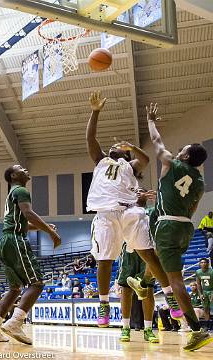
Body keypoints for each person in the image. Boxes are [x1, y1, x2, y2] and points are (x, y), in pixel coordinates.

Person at [86, 91, 183, 328]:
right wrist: (95, 112)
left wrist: (131, 146)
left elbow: (146, 160)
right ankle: (104, 304)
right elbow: (90, 138)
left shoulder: (129, 165)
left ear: (125, 154)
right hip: (106, 214)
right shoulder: (100, 161)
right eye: (111, 148)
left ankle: (169, 294)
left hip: (130, 211)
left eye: (117, 148)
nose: (112, 148)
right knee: (104, 260)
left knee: (148, 255)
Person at [139, 102, 211, 351]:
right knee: (156, 256)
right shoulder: (200, 182)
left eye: (184, 150)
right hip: (185, 228)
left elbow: (157, 142)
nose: (179, 151)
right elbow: (192, 210)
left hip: (168, 226)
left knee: (175, 280)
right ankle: (144, 282)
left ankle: (196, 329)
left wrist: (150, 121)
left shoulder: (172, 163)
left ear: (187, 157)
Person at [0, 165, 61, 344]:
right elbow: (28, 213)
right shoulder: (20, 190)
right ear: (13, 176)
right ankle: (15, 322)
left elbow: (22, 221)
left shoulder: (11, 193)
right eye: (20, 168)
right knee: (37, 282)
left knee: (14, 288)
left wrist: (46, 227)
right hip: (15, 240)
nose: (25, 169)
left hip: (4, 241)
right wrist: (51, 233)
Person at [118, 189, 158, 343]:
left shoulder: (152, 210)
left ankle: (148, 329)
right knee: (126, 290)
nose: (139, 192)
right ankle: (125, 328)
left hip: (147, 252)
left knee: (147, 289)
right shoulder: (126, 210)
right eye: (136, 191)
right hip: (129, 251)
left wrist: (158, 200)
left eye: (142, 190)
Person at [196, 258, 213, 329]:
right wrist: (200, 294)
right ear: (199, 264)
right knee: (206, 309)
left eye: (205, 262)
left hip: (211, 290)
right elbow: (198, 284)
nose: (203, 263)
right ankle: (207, 325)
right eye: (201, 262)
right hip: (204, 292)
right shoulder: (198, 272)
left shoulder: (212, 271)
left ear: (208, 264)